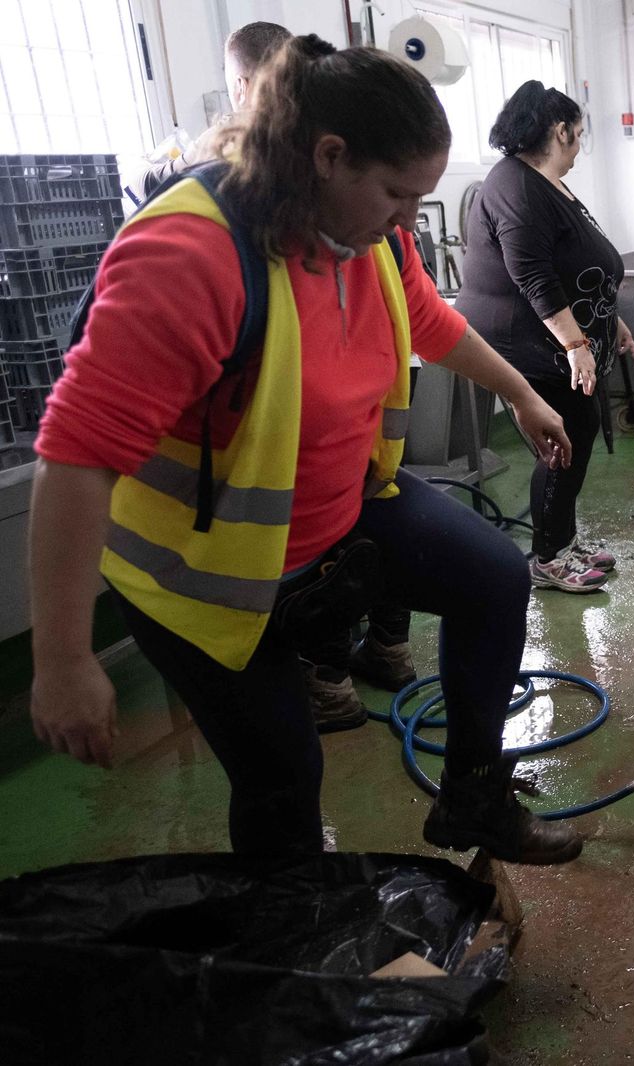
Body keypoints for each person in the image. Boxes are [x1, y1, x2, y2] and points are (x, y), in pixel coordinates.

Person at [29, 36, 583, 865]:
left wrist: (522, 392)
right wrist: (64, 661)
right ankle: (285, 952)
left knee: (493, 578)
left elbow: (428, 320)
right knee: (284, 773)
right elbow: (73, 458)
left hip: (333, 515)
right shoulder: (191, 256)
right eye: (398, 195)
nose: (409, 222)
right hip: (201, 571)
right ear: (328, 156)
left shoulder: (371, 237)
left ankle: (474, 799)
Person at [454, 80, 634, 594]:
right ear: (558, 131)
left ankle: (561, 539)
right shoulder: (513, 185)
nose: (579, 147)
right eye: (577, 136)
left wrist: (610, 320)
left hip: (561, 338)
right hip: (530, 344)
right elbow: (533, 275)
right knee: (563, 439)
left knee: (576, 437)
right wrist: (577, 344)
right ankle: (547, 558)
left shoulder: (544, 180)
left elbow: (575, 260)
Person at [139, 21, 292, 199]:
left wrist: (133, 165)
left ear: (241, 87)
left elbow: (155, 184)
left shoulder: (231, 134)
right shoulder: (317, 123)